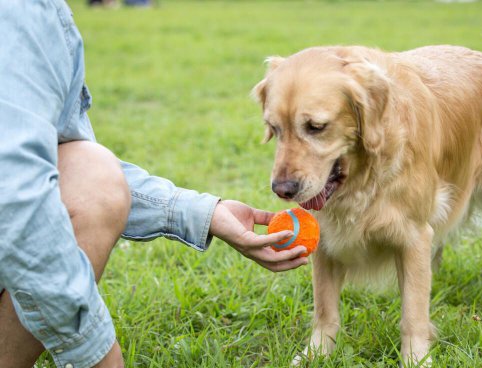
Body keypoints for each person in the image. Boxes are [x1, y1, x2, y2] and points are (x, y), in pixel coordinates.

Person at [0, 1, 308, 367]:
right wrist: (96, 354)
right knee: (92, 175)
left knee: (89, 170)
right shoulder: (23, 11)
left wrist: (207, 212)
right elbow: (19, 193)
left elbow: (60, 162)